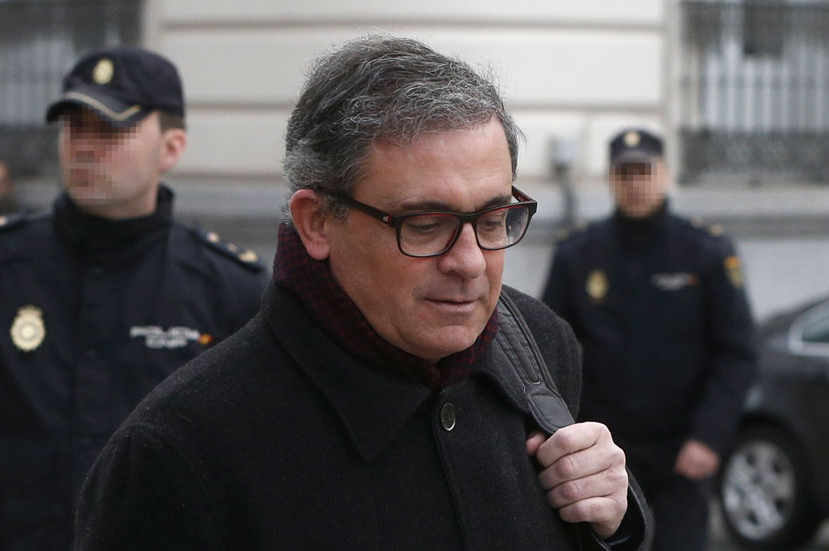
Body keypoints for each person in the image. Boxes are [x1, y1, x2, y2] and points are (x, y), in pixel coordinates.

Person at [75, 35, 649, 551]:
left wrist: (614, 524)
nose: (470, 262)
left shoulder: (541, 344)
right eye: (425, 225)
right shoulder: (179, 454)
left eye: (494, 219)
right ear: (317, 221)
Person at [0, 46, 269, 550]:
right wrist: (5, 477)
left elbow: (260, 457)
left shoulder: (228, 288)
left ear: (171, 147)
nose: (85, 147)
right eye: (74, 127)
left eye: (111, 130)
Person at [542, 128, 757, 551]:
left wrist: (708, 438)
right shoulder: (578, 253)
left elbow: (737, 353)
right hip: (606, 450)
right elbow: (546, 348)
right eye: (625, 174)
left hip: (682, 452)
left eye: (645, 172)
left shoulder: (705, 251)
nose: (636, 184)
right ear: (610, 179)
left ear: (666, 175)